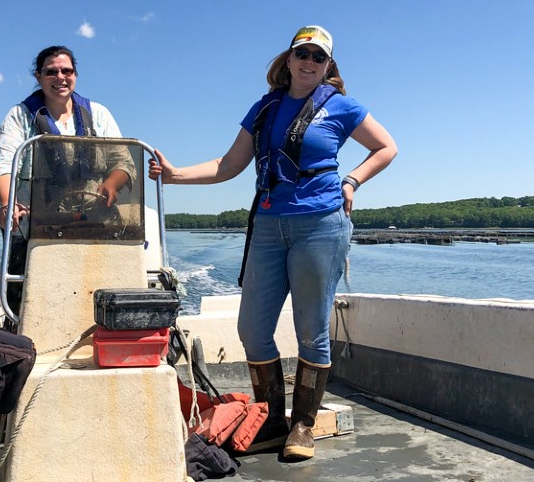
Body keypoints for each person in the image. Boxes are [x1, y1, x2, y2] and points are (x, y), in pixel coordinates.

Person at [148, 25, 397, 460]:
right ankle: (272, 420)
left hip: (320, 225)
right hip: (267, 226)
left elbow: (387, 147)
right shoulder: (264, 109)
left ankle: (301, 426)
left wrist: (353, 179)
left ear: (328, 66)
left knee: (311, 330)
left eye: (318, 57)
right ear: (289, 58)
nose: (309, 62)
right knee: (253, 329)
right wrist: (175, 175)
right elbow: (229, 164)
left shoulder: (341, 106)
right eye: (302, 53)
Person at [0, 45, 135, 312]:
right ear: (39, 76)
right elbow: (3, 163)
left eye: (67, 71)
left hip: (91, 219)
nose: (60, 78)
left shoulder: (98, 114)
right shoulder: (20, 116)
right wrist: (8, 203)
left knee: (92, 292)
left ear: (75, 75)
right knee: (30, 299)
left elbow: (123, 161)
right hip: (34, 222)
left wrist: (112, 183)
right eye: (51, 72)